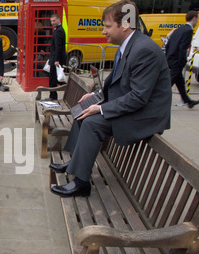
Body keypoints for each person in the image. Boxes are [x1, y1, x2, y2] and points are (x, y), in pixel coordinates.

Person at [50, 0, 172, 198]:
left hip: (146, 115)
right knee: (82, 110)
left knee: (92, 122)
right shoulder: (128, 45)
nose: (103, 32)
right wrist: (98, 96)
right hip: (135, 106)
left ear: (125, 24)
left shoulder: (144, 50)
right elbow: (120, 84)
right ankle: (75, 163)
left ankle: (81, 183)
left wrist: (101, 109)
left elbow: (139, 97)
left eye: (107, 26)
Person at [165, 10, 199, 109]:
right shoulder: (188, 31)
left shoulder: (179, 29)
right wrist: (182, 62)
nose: (197, 22)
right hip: (177, 60)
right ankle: (156, 101)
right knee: (168, 83)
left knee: (180, 82)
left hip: (171, 58)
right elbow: (183, 48)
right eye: (197, 19)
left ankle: (188, 101)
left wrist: (167, 57)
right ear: (194, 19)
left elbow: (168, 44)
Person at [48, 13, 66, 101]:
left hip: (56, 58)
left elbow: (58, 47)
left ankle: (53, 96)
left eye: (54, 20)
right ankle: (64, 87)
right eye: (51, 21)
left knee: (53, 78)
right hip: (54, 57)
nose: (52, 22)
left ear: (59, 20)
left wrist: (57, 60)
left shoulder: (59, 30)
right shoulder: (57, 29)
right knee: (54, 77)